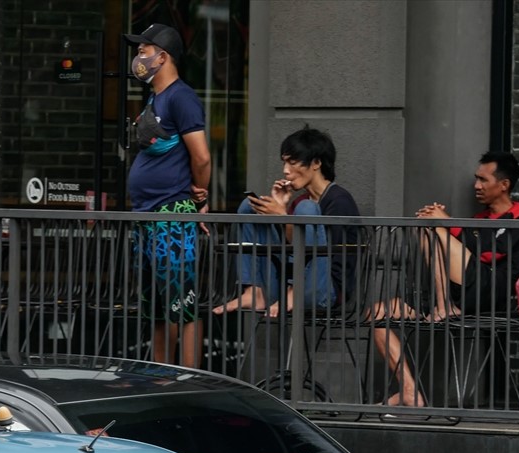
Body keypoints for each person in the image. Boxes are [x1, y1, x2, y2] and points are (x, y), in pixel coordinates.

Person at [367, 150, 519, 406]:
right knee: (376, 314)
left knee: (437, 227)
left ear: (504, 185)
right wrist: (437, 221)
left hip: (492, 294)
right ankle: (410, 390)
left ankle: (444, 305)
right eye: (476, 179)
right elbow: (463, 251)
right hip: (455, 293)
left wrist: (448, 223)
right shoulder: (479, 219)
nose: (476, 185)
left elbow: (492, 252)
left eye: (483, 180)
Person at [124, 23, 211, 368]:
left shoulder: (181, 97)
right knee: (156, 306)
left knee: (182, 304)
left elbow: (201, 156)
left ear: (163, 57)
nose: (138, 58)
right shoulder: (155, 97)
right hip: (147, 215)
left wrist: (199, 200)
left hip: (172, 214)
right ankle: (160, 374)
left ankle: (187, 379)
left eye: (143, 50)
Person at [212, 126, 361, 317]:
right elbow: (290, 250)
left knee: (306, 210)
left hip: (325, 290)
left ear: (316, 163)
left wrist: (284, 217)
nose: (285, 171)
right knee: (249, 206)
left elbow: (323, 256)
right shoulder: (299, 201)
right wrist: (281, 211)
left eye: (293, 162)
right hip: (286, 284)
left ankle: (294, 291)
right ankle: (254, 291)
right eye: (284, 163)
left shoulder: (339, 200)